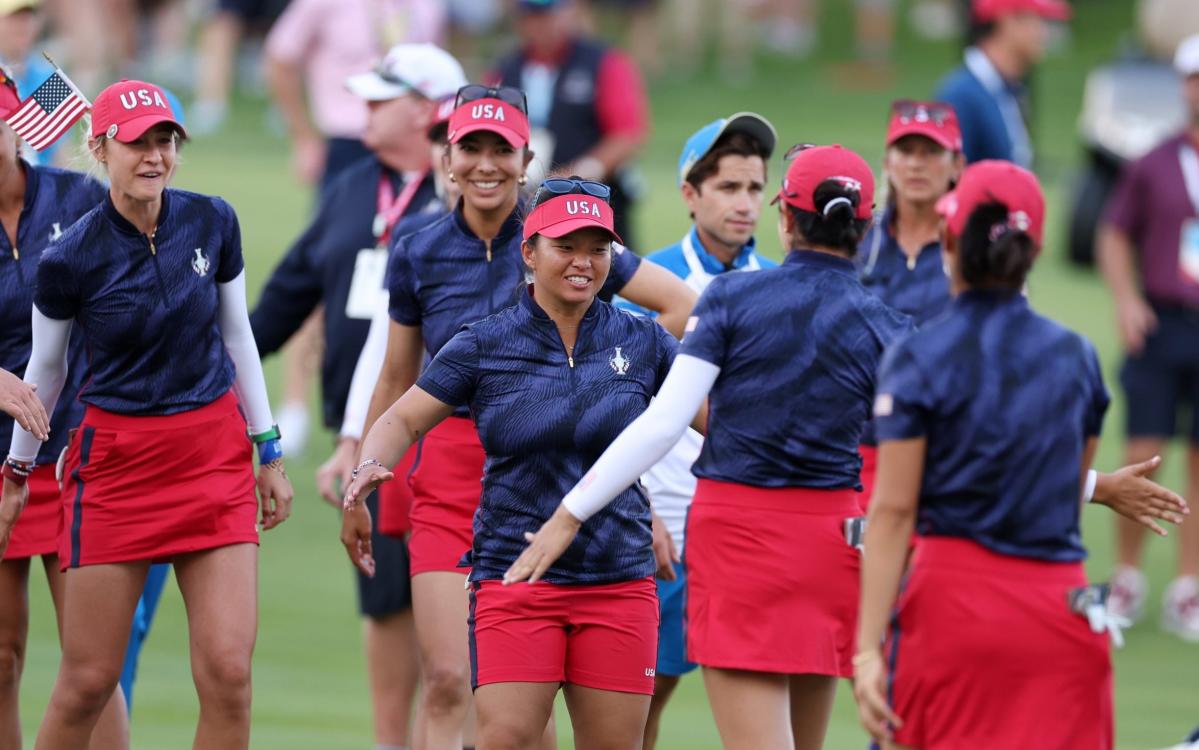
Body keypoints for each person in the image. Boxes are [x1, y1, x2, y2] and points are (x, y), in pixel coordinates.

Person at [508, 144, 912, 750]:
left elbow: (665, 421)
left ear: (784, 219)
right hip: (831, 547)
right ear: (868, 225)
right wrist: (1091, 486)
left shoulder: (729, 299)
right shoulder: (890, 327)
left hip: (739, 543)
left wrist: (570, 514)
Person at [357, 83, 694, 750]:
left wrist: (621, 447)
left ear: (525, 157)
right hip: (460, 479)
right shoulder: (420, 251)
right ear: (447, 157)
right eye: (470, 147)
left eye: (500, 149)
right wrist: (364, 466)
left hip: (584, 484)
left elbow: (677, 313)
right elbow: (398, 382)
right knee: (456, 681)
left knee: (535, 711)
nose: (486, 164)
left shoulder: (565, 227)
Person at [0, 79, 292, 750]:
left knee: (226, 672)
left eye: (166, 141)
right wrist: (19, 469)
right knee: (88, 681)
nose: (155, 155)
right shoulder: (69, 256)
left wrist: (269, 448)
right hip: (116, 467)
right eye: (137, 143)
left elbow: (236, 335)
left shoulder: (213, 219)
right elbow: (46, 371)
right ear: (101, 149)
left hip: (211, 456)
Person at [854, 160, 1123, 748]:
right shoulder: (1078, 357)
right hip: (1063, 607)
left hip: (955, 611)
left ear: (950, 239)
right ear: (1037, 249)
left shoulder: (917, 356)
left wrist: (867, 650)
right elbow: (1065, 487)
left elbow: (894, 512)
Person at [250, 43, 465, 749]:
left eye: (382, 99)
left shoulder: (471, 195)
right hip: (372, 443)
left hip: (459, 446)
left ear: (430, 113)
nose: (363, 109)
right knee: (384, 601)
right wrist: (220, 369)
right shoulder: (351, 185)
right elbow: (285, 299)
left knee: (461, 646)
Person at [615, 111, 778, 750]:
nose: (745, 204)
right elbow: (613, 407)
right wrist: (639, 506)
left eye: (756, 189)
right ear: (690, 193)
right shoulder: (645, 284)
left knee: (760, 706)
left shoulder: (779, 286)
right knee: (638, 708)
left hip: (749, 532)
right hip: (665, 531)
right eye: (728, 188)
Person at [0, 68, 130, 749]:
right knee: (1, 656)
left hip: (79, 455)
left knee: (92, 665)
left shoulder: (78, 198)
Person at [1097, 32, 1199, 641]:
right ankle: (1128, 575)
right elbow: (1113, 233)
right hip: (1161, 321)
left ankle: (1189, 584)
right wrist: (1127, 298)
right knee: (1146, 451)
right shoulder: (1153, 161)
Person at [855, 100, 963, 503]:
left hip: (946, 449)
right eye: (906, 151)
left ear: (957, 164)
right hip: (860, 449)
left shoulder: (978, 252)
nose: (917, 165)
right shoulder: (857, 241)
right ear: (887, 160)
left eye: (932, 152)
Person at [493, 0, 649, 247]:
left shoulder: (603, 62)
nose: (540, 25)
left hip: (593, 204)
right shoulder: (505, 69)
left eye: (547, 15)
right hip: (519, 204)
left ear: (570, 12)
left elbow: (626, 135)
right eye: (531, 16)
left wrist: (571, 178)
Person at [934, 0, 1070, 167]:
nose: (1044, 33)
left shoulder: (1004, 88)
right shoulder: (961, 97)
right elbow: (947, 182)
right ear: (1007, 22)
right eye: (1037, 20)